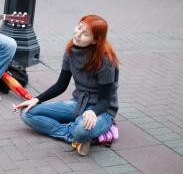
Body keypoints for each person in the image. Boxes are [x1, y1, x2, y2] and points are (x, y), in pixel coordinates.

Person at [16, 15, 119, 156]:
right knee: (27, 113)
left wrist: (93, 112)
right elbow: (61, 85)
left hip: (102, 110)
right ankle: (73, 137)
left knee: (81, 130)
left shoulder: (104, 61)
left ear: (95, 40)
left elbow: (105, 101)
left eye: (85, 34)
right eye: (79, 28)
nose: (78, 34)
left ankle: (93, 130)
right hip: (78, 104)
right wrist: (36, 99)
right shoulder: (71, 51)